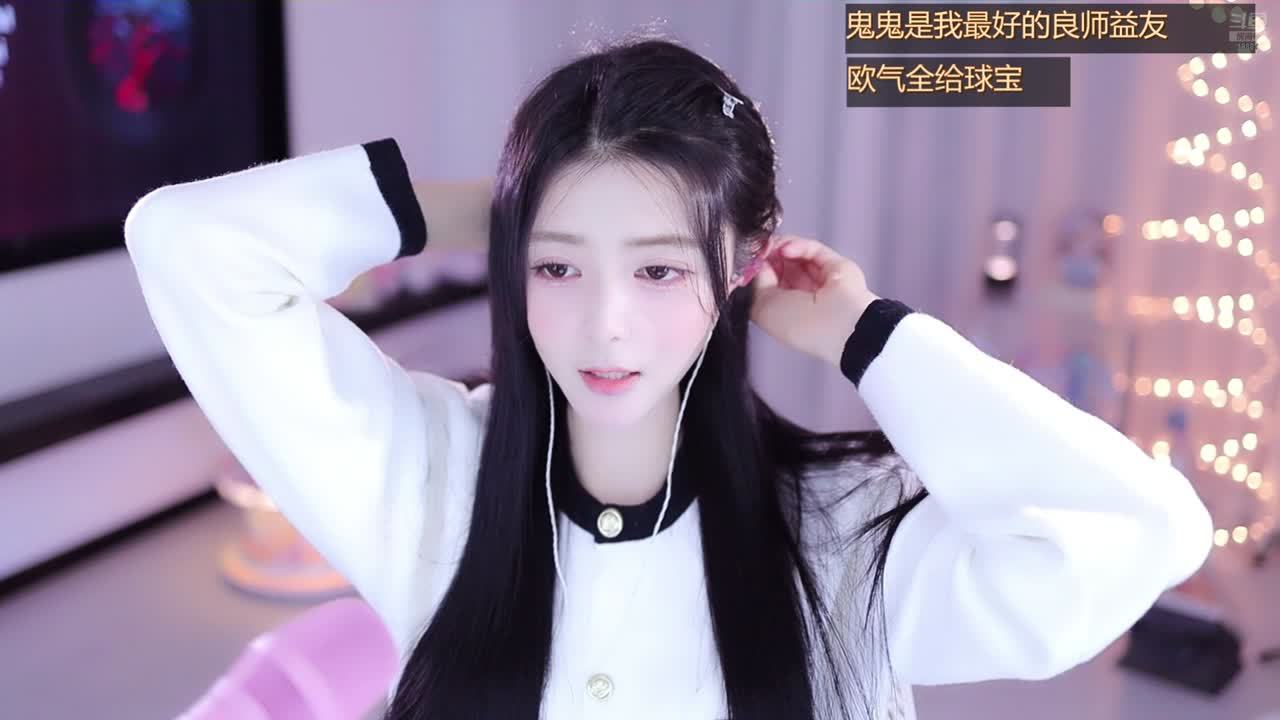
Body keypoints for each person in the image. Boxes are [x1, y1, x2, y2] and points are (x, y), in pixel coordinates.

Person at [123, 37, 1213, 720]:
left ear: (740, 267)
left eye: (656, 269)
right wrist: (493, 208)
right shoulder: (425, 478)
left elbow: (1138, 532)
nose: (605, 322)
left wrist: (868, 336)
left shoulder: (843, 535)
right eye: (557, 266)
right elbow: (186, 244)